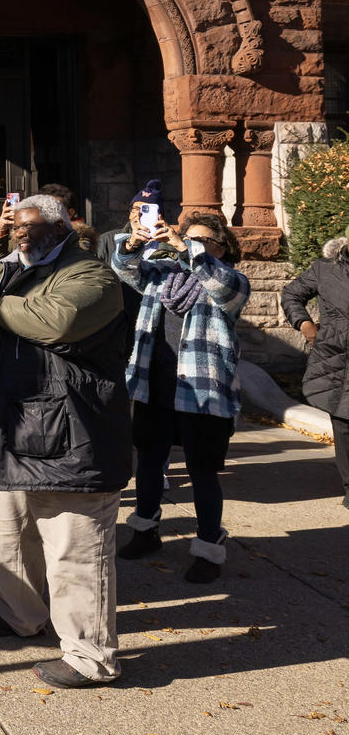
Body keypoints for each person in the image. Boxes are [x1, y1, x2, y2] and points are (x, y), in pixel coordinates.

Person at [0, 193, 130, 689]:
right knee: (7, 536)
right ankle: (21, 617)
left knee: (75, 547)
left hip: (72, 435)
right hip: (13, 431)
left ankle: (91, 658)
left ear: (62, 230)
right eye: (15, 229)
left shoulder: (90, 276)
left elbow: (59, 322)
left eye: (31, 228)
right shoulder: (9, 269)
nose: (20, 235)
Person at [113, 209, 251, 581]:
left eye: (204, 240)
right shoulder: (162, 275)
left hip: (205, 394)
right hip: (153, 386)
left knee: (202, 470)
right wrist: (133, 242)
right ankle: (145, 531)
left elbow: (223, 289)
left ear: (221, 249)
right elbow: (125, 270)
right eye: (190, 236)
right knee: (148, 462)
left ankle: (209, 548)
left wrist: (190, 249)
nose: (194, 244)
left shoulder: (232, 280)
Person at [281, 230, 349, 509]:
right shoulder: (325, 268)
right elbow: (291, 294)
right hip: (338, 358)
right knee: (344, 425)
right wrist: (306, 326)